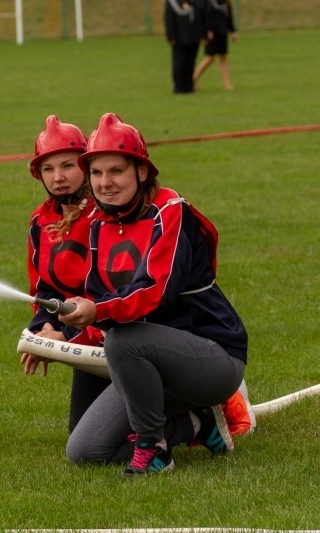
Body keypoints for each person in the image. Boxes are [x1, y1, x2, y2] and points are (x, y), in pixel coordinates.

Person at [61, 113, 250, 476]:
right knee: (84, 449)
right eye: (97, 173)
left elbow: (155, 291)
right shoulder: (100, 224)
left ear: (142, 172)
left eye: (116, 171)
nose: (105, 183)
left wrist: (96, 310)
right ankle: (196, 424)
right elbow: (98, 302)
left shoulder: (171, 211)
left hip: (212, 358)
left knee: (121, 338)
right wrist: (59, 340)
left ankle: (155, 448)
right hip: (143, 359)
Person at [21, 115, 110, 433]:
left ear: (86, 166)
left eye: (68, 166)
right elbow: (43, 288)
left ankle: (196, 416)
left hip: (118, 338)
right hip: (84, 342)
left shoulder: (106, 214)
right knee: (83, 433)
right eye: (48, 168)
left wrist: (66, 339)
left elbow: (112, 297)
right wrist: (43, 329)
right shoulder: (39, 222)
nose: (58, 177)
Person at [193, 0, 238, 91]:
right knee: (210, 57)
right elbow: (204, 16)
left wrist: (233, 31)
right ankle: (193, 79)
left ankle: (227, 84)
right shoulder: (208, 2)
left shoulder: (225, 2)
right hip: (212, 34)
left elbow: (228, 16)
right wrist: (207, 31)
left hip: (222, 32)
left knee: (223, 57)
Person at [164, 0, 205, 93]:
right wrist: (171, 36)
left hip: (193, 35)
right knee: (179, 62)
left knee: (190, 62)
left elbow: (201, 12)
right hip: (179, 37)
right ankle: (179, 87)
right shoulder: (172, 2)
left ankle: (189, 86)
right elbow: (168, 18)